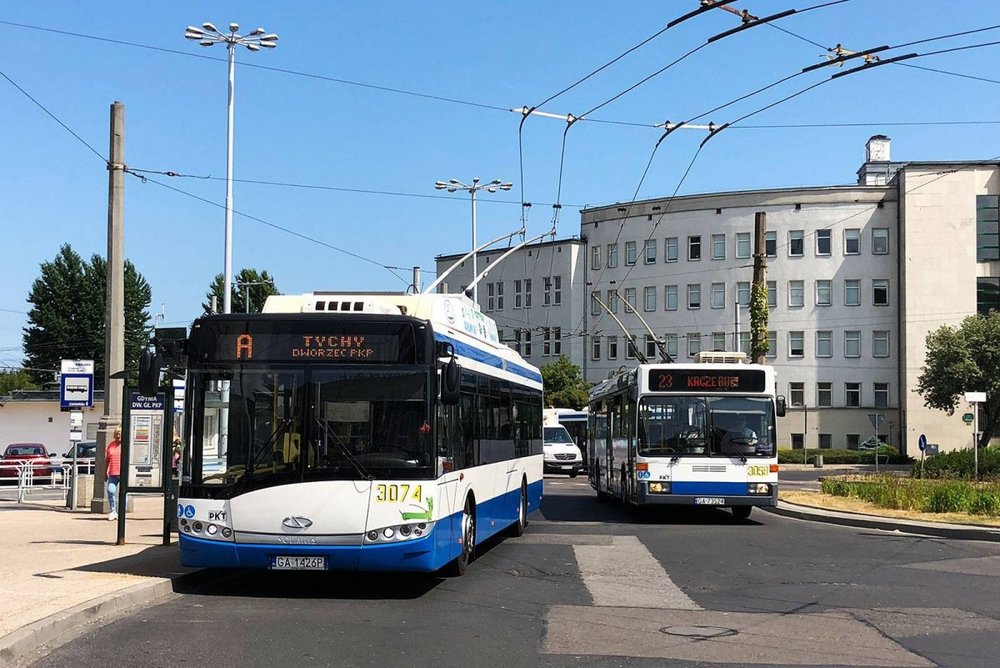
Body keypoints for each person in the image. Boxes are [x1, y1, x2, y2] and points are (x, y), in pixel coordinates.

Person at [106, 426, 122, 521]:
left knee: (124, 494)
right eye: (117, 434)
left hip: (123, 473)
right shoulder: (111, 445)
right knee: (110, 490)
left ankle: (122, 511)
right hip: (113, 473)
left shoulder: (126, 445)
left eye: (120, 434)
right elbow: (107, 459)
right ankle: (113, 511)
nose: (118, 435)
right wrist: (104, 472)